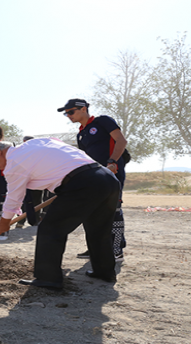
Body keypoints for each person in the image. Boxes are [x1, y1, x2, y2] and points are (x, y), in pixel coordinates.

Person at [0, 139, 120, 290]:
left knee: (50, 229)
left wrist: (4, 222)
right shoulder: (34, 144)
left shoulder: (14, 162)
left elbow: (13, 197)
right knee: (99, 229)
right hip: (106, 178)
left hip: (81, 182)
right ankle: (104, 271)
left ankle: (48, 278)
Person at [59, 98, 128, 262]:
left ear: (83, 109)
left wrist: (112, 161)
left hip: (112, 172)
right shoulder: (81, 133)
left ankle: (116, 249)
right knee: (92, 212)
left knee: (113, 210)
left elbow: (121, 140)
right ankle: (95, 248)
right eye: (66, 113)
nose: (68, 115)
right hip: (93, 176)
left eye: (71, 111)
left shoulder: (103, 121)